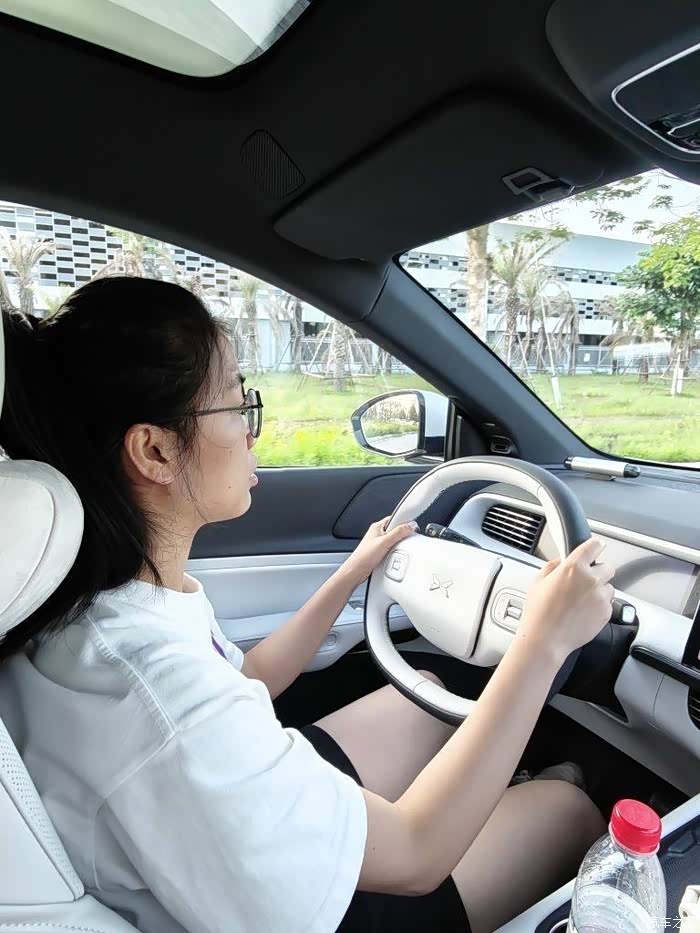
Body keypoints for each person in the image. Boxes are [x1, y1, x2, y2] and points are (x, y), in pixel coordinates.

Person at [0, 277, 612, 933]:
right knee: (567, 810)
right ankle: (542, 793)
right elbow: (416, 854)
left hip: (228, 836)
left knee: (428, 696)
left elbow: (248, 677)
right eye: (237, 403)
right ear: (154, 450)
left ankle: (503, 798)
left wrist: (350, 574)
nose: (250, 431)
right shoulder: (161, 693)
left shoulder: (109, 604)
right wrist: (543, 640)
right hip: (319, 914)